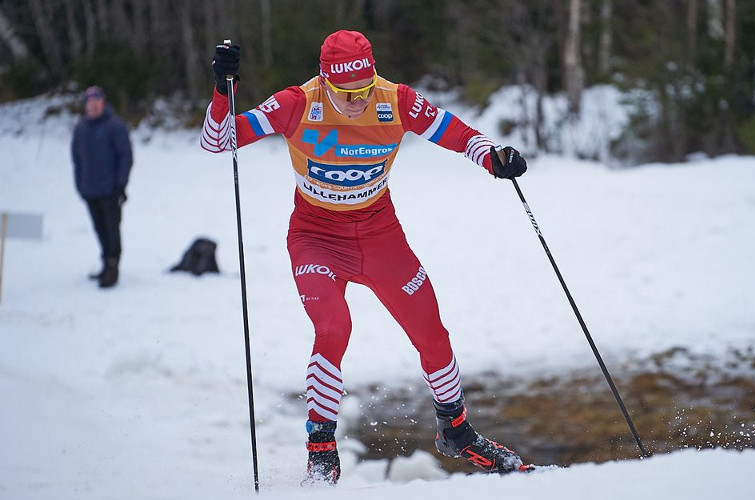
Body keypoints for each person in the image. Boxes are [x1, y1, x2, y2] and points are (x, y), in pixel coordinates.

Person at [201, 30, 531, 484]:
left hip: (380, 236)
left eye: (363, 89)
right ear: (325, 82)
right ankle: (321, 450)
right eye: (345, 93)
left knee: (431, 330)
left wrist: (490, 156)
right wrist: (223, 90)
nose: (357, 101)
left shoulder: (395, 100)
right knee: (334, 327)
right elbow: (219, 141)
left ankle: (456, 430)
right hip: (317, 238)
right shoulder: (298, 103)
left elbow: (452, 131)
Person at [71, 86, 133, 288]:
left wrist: (120, 185)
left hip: (110, 190)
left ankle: (113, 266)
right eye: (90, 102)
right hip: (90, 190)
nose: (94, 106)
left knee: (111, 229)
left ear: (103, 104)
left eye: (97, 102)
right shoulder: (81, 129)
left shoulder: (115, 126)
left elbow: (125, 157)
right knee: (99, 229)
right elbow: (77, 160)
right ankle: (105, 262)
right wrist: (80, 185)